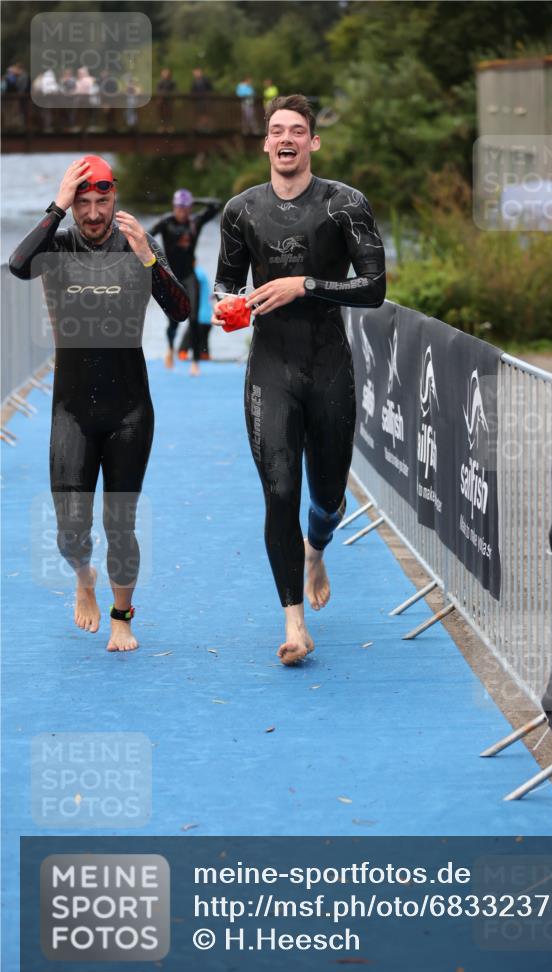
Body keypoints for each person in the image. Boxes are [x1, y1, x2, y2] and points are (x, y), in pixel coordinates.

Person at [213, 94, 385, 665]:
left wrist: (305, 285)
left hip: (329, 365)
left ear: (313, 142)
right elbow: (226, 285)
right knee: (280, 492)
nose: (286, 138)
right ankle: (294, 624)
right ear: (265, 143)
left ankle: (317, 548)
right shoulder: (240, 211)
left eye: (297, 130)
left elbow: (374, 288)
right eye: (277, 130)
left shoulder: (345, 205)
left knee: (328, 497)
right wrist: (228, 306)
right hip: (271, 368)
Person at [9, 155, 190, 651]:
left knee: (121, 523)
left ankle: (121, 618)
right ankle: (83, 576)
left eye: (101, 202)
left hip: (130, 410)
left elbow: (181, 310)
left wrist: (149, 258)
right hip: (72, 410)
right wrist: (55, 208)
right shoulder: (57, 245)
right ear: (72, 206)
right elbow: (18, 266)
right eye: (82, 203)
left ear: (115, 198)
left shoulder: (137, 243)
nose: (92, 213)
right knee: (70, 531)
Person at [149, 189, 222, 368]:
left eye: (185, 208)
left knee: (194, 318)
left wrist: (194, 199)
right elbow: (146, 237)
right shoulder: (166, 222)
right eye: (178, 207)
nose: (181, 211)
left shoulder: (195, 222)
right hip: (171, 278)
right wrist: (153, 261)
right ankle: (170, 348)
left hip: (189, 276)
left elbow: (216, 205)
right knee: (173, 322)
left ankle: (195, 361)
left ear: (189, 208)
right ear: (174, 207)